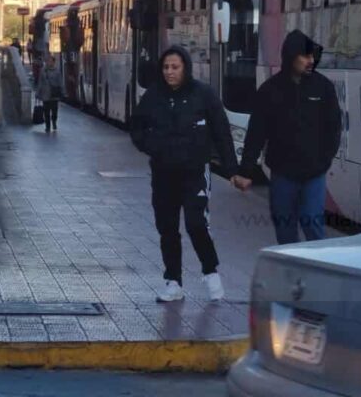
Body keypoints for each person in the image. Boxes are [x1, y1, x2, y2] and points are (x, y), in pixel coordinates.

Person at [130, 45, 239, 302]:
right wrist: (152, 146)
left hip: (195, 173)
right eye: (166, 67)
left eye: (175, 67)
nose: (170, 72)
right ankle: (173, 282)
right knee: (167, 228)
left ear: (185, 68)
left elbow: (222, 134)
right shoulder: (153, 96)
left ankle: (210, 271)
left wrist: (232, 170)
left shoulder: (204, 95)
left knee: (196, 223)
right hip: (163, 174)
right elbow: (137, 128)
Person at [232, 30, 342, 244]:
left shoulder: (323, 88)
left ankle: (320, 272)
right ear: (291, 56)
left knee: (313, 224)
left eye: (313, 57)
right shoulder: (270, 90)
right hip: (283, 174)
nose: (311, 61)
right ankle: (293, 275)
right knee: (284, 230)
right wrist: (245, 171)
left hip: (314, 174)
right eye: (305, 56)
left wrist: (324, 160)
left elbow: (334, 128)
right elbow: (256, 133)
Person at [35, 54, 64, 132]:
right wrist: (37, 93)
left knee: (54, 111)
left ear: (54, 62)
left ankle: (54, 121)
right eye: (48, 61)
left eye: (50, 61)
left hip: (54, 94)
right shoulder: (43, 71)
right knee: (46, 111)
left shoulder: (57, 71)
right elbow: (40, 82)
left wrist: (62, 91)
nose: (49, 63)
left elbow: (60, 82)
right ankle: (48, 126)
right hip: (45, 94)